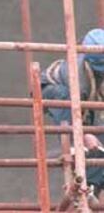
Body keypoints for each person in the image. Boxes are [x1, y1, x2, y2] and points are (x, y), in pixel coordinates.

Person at [41, 28, 104, 197]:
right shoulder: (76, 74)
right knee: (67, 102)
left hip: (83, 101)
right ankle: (75, 147)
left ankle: (92, 186)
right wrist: (86, 137)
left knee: (98, 141)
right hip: (51, 89)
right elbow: (78, 110)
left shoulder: (97, 72)